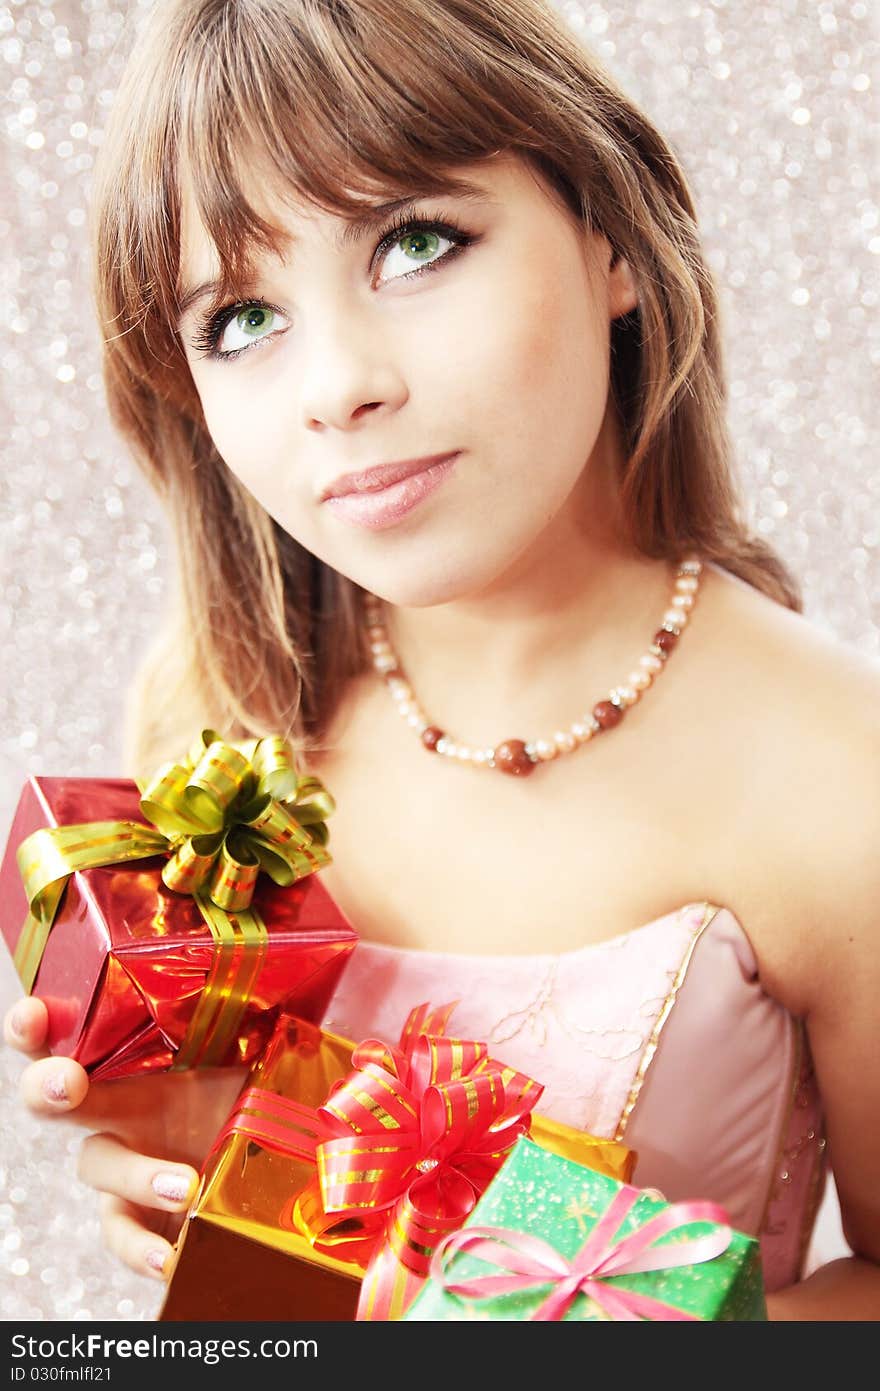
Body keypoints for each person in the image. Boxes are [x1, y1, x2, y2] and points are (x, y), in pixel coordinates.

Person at [3, 0, 879, 1321]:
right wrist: (200, 1174)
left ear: (610, 240)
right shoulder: (224, 729)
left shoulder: (839, 776)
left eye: (415, 243)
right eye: (241, 319)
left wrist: (592, 1326)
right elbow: (279, 1292)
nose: (337, 384)